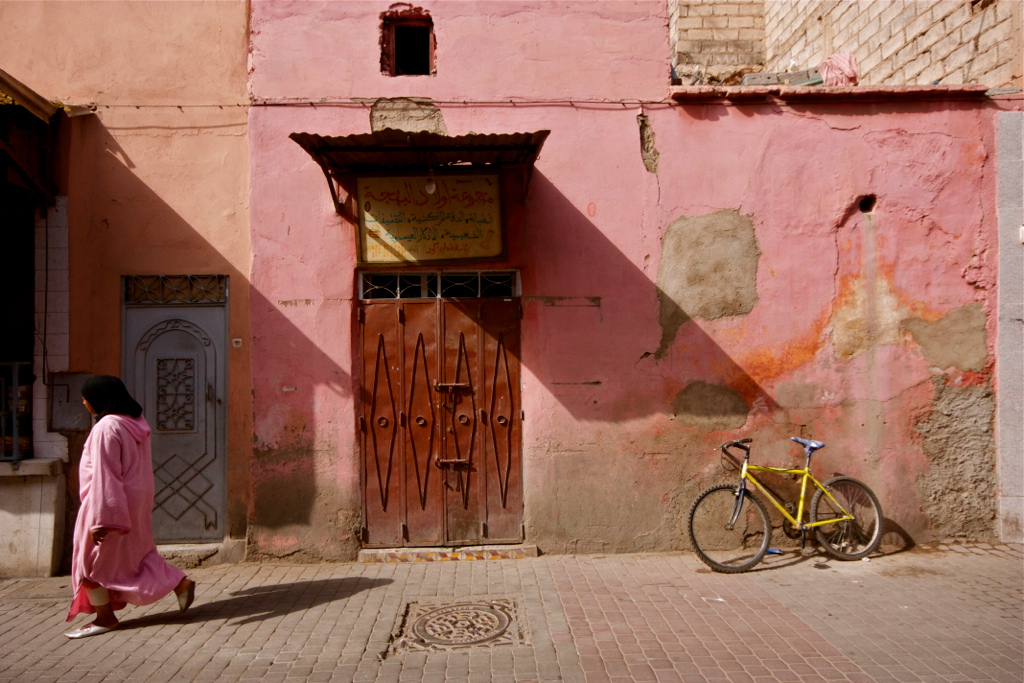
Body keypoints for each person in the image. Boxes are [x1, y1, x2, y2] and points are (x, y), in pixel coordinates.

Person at [64, 375, 196, 639]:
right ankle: (180, 583)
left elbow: (106, 475)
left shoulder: (106, 428)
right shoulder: (134, 422)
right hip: (135, 499)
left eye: (86, 397)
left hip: (108, 502)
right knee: (137, 555)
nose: (83, 402)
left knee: (89, 562)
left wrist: (102, 519)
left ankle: (105, 618)